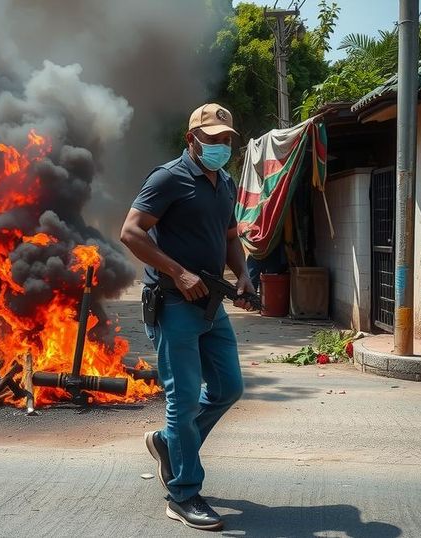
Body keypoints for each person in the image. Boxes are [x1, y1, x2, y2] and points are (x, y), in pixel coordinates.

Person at [120, 103, 256, 531]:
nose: (219, 146)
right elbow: (131, 231)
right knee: (182, 399)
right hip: (173, 302)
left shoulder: (226, 182)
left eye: (225, 140)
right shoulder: (168, 178)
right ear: (191, 139)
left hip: (211, 304)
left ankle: (167, 444)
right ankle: (183, 493)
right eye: (211, 138)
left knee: (228, 388)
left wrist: (245, 276)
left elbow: (230, 235)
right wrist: (177, 272)